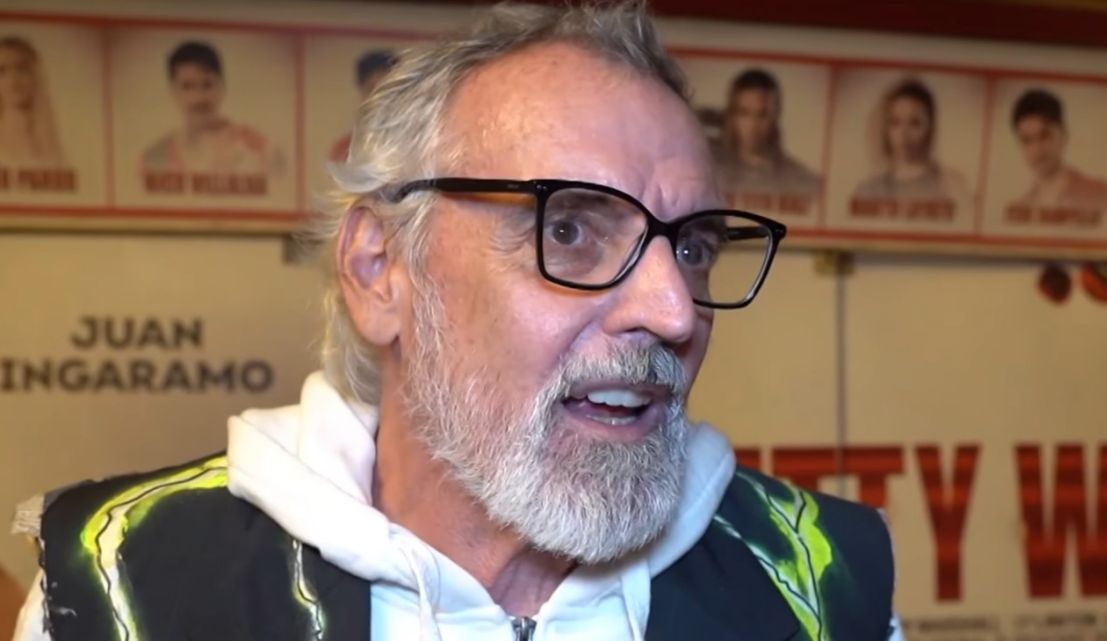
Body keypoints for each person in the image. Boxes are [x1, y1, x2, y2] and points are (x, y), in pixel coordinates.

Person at [12, 3, 898, 640]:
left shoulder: (823, 584)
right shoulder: (124, 583)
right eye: (571, 230)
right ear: (379, 270)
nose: (674, 311)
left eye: (694, 246)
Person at [1009, 89, 1107, 304]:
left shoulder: (1098, 193)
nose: (1037, 149)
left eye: (1045, 135)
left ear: (1064, 135)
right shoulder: (1019, 207)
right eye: (1027, 140)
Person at [141, 40, 284, 175]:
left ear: (222, 87)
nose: (198, 97)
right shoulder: (153, 159)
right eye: (187, 86)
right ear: (173, 92)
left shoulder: (260, 151)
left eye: (207, 85)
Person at [712, 68, 820, 206]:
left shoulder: (802, 182)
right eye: (744, 113)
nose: (753, 125)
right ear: (732, 116)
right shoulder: (709, 174)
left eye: (762, 115)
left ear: (775, 117)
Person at [853, 78, 968, 203]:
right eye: (895, 122)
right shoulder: (868, 190)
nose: (904, 133)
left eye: (915, 123)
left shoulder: (952, 187)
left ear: (930, 128)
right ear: (885, 129)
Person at [0, 36, 66, 168]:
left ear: (36, 76)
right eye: (2, 71)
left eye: (22, 69)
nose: (13, 81)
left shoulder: (53, 142)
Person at [328, 49, 400, 162]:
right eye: (372, 89)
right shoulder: (344, 150)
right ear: (362, 94)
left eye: (387, 89)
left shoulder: (418, 145)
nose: (380, 98)